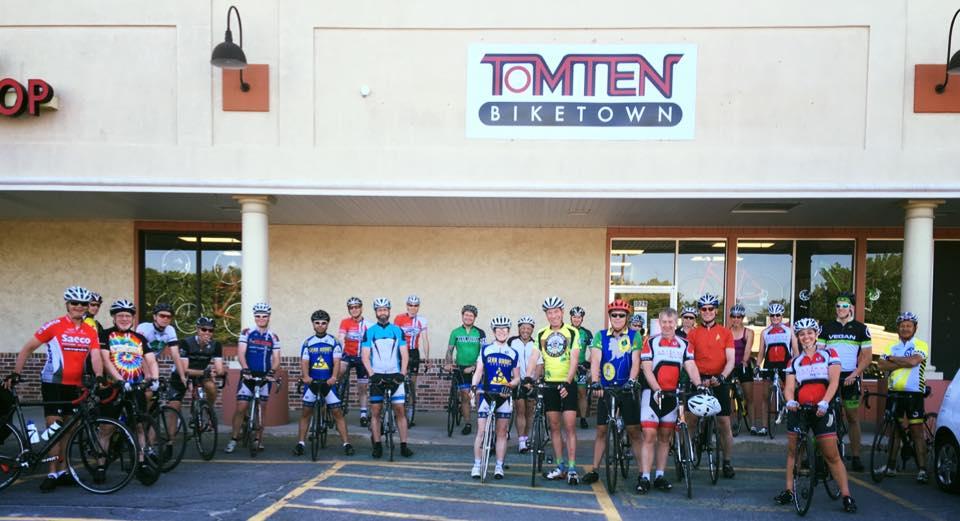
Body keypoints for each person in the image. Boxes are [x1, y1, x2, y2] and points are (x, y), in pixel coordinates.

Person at [4, 286, 103, 492]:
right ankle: (51, 472)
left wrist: (100, 377)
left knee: (69, 430)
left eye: (83, 304)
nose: (78, 307)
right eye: (74, 303)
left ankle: (64, 471)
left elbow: (95, 356)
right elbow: (28, 348)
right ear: (67, 304)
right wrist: (16, 372)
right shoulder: (54, 325)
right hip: (53, 384)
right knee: (55, 429)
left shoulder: (90, 330)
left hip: (75, 386)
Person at [776, 318, 857, 513]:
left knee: (832, 455)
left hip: (822, 408)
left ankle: (846, 495)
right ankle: (789, 490)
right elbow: (789, 388)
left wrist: (825, 401)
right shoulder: (794, 361)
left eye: (810, 332)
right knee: (793, 452)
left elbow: (834, 382)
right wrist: (790, 401)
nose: (806, 337)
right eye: (802, 334)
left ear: (816, 334)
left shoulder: (829, 354)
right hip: (800, 409)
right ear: (798, 337)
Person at [637, 307, 704, 493]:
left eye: (670, 322)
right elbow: (647, 369)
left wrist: (699, 385)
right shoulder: (650, 342)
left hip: (671, 396)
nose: (667, 325)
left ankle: (659, 475)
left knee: (665, 437)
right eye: (664, 322)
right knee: (649, 435)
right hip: (652, 395)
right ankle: (644, 477)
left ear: (676, 323)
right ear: (659, 323)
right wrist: (657, 389)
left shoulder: (684, 344)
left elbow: (690, 366)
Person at [580, 300, 644, 487]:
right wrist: (596, 381)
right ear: (610, 317)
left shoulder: (634, 336)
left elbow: (635, 362)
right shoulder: (600, 336)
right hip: (606, 388)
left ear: (627, 317)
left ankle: (642, 473)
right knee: (601, 430)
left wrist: (632, 381)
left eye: (621, 315)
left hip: (626, 388)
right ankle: (595, 470)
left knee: (634, 431)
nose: (617, 318)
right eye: (614, 315)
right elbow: (596, 360)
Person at [98, 299, 157, 483]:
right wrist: (120, 381)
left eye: (128, 315)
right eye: (120, 315)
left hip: (135, 387)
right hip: (113, 387)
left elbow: (151, 360)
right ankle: (100, 466)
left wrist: (154, 379)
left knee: (139, 426)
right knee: (107, 428)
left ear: (132, 318)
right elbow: (106, 360)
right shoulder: (105, 335)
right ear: (114, 318)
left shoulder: (139, 338)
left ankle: (140, 463)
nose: (124, 318)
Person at [526, 296, 581, 485]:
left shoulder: (572, 332)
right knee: (555, 427)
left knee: (570, 427)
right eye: (549, 312)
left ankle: (572, 468)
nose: (553, 315)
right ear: (546, 315)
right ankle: (560, 467)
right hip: (549, 385)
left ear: (562, 312)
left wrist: (567, 382)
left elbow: (574, 359)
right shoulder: (541, 333)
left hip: (567, 385)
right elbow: (534, 357)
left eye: (556, 311)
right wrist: (528, 375)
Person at [818, 292, 872, 472]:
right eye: (838, 305)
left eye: (844, 305)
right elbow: (820, 353)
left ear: (851, 308)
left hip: (850, 376)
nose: (840, 308)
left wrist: (855, 374)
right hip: (830, 376)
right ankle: (822, 455)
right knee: (825, 416)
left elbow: (867, 357)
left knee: (852, 417)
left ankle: (856, 456)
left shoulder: (860, 328)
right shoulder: (826, 328)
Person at [686, 293, 737, 478]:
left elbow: (731, 360)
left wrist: (722, 377)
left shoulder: (725, 332)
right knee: (690, 418)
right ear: (700, 311)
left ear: (716, 310)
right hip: (698, 379)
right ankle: (687, 456)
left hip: (719, 379)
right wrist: (697, 381)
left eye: (710, 308)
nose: (707, 312)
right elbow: (689, 359)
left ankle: (727, 462)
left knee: (724, 422)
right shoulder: (693, 333)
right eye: (703, 309)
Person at [876, 311, 929, 483]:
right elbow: (882, 365)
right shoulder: (891, 346)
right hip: (894, 393)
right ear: (898, 328)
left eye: (909, 325)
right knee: (895, 431)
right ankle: (891, 466)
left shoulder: (921, 344)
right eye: (902, 325)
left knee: (916, 432)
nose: (905, 328)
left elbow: (914, 362)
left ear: (914, 328)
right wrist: (901, 361)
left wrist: (893, 360)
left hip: (914, 393)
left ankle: (922, 469)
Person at [294, 309, 354, 456]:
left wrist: (334, 377)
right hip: (312, 382)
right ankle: (300, 443)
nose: (320, 326)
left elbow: (337, 361)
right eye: (317, 323)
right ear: (313, 325)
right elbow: (304, 361)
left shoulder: (333, 341)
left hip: (328, 382)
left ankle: (346, 443)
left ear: (327, 325)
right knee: (306, 413)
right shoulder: (308, 342)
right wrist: (306, 376)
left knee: (337, 412)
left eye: (323, 323)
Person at [165, 316, 224, 460]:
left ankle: (207, 410)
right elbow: (184, 370)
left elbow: (219, 368)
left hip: (201, 374)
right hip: (180, 375)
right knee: (174, 406)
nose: (207, 333)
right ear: (198, 330)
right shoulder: (186, 343)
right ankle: (170, 443)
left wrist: (220, 372)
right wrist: (207, 372)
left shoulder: (215, 345)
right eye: (204, 329)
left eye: (211, 330)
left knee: (211, 386)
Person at [470, 314, 520, 479]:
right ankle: (477, 465)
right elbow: (478, 371)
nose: (501, 332)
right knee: (482, 432)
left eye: (504, 329)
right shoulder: (485, 349)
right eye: (498, 329)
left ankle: (499, 466)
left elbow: (517, 377)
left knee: (502, 432)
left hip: (504, 396)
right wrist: (474, 386)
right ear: (493, 331)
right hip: (487, 394)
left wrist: (510, 385)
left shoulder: (513, 353)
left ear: (508, 331)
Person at [362, 298, 414, 458]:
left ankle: (404, 445)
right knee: (376, 411)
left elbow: (405, 354)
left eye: (385, 309)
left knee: (400, 410)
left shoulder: (397, 330)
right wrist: (372, 375)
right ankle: (377, 445)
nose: (382, 312)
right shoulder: (370, 331)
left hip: (395, 374)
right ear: (376, 312)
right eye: (379, 310)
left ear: (389, 311)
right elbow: (365, 356)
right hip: (377, 375)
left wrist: (402, 373)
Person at [226, 302, 280, 454]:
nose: (261, 319)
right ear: (255, 317)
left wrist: (271, 372)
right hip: (248, 374)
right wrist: (245, 369)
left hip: (264, 376)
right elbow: (241, 354)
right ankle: (234, 438)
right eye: (258, 316)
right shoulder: (247, 332)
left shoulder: (273, 336)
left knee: (261, 409)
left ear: (269, 317)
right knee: (241, 407)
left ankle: (258, 439)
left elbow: (276, 359)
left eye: (264, 316)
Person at [754, 302, 798, 436]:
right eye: (772, 315)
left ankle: (795, 424)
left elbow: (795, 351)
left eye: (777, 315)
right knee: (765, 396)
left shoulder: (789, 330)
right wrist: (757, 365)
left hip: (786, 364)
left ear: (782, 316)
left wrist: (796, 365)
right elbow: (761, 352)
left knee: (792, 393)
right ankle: (764, 427)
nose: (775, 318)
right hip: (770, 365)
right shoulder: (765, 332)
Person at [445, 304, 486, 436]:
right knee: (465, 395)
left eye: (471, 315)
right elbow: (450, 350)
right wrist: (448, 363)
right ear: (462, 316)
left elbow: (484, 352)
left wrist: (475, 366)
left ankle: (482, 423)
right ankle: (468, 423)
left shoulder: (480, 332)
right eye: (466, 315)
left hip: (477, 367)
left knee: (479, 396)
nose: (468, 317)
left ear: (475, 318)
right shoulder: (455, 332)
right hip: (461, 368)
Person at [394, 295, 429, 427]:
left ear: (418, 307)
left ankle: (409, 414)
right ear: (407, 305)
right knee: (398, 382)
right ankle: (397, 411)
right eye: (411, 305)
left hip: (414, 352)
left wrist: (426, 358)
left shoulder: (422, 321)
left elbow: (425, 339)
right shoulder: (399, 318)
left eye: (415, 305)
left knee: (412, 385)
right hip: (400, 352)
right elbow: (394, 337)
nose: (413, 308)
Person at [338, 297, 373, 427]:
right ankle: (335, 400)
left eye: (357, 307)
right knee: (338, 374)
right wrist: (339, 353)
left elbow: (371, 343)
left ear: (361, 308)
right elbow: (341, 338)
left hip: (361, 357)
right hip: (347, 355)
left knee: (362, 388)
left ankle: (363, 414)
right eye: (351, 308)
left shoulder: (368, 325)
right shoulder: (345, 322)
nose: (354, 309)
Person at [727, 304, 758, 434]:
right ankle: (730, 423)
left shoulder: (748, 332)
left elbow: (747, 350)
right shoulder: (726, 332)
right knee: (728, 397)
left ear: (742, 318)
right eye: (733, 317)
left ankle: (753, 425)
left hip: (743, 365)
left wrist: (744, 362)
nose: (736, 319)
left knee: (749, 396)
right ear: (730, 318)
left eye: (738, 317)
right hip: (729, 365)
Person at [509, 315, 537, 453]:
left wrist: (533, 380)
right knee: (520, 410)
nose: (525, 330)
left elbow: (540, 364)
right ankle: (521, 442)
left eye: (528, 328)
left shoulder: (536, 344)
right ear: (519, 329)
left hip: (531, 383)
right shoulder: (512, 342)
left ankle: (526, 438)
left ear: (532, 330)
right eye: (523, 328)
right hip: (518, 382)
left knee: (529, 413)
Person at [570, 306, 593, 429]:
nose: (576, 319)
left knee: (582, 393)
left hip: (580, 368)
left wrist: (587, 363)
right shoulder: (566, 331)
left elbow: (593, 350)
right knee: (566, 392)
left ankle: (583, 418)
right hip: (567, 367)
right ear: (571, 318)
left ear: (582, 318)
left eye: (579, 317)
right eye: (574, 317)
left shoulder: (587, 333)